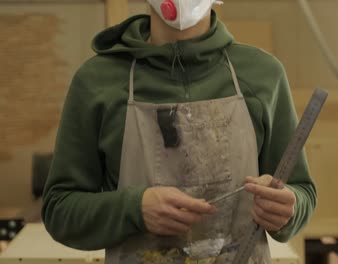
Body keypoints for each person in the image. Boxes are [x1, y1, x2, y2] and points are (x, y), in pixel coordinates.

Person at [42, 0, 316, 263]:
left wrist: (288, 208)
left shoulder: (263, 75)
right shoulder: (97, 82)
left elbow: (301, 191)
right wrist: (133, 209)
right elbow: (59, 210)